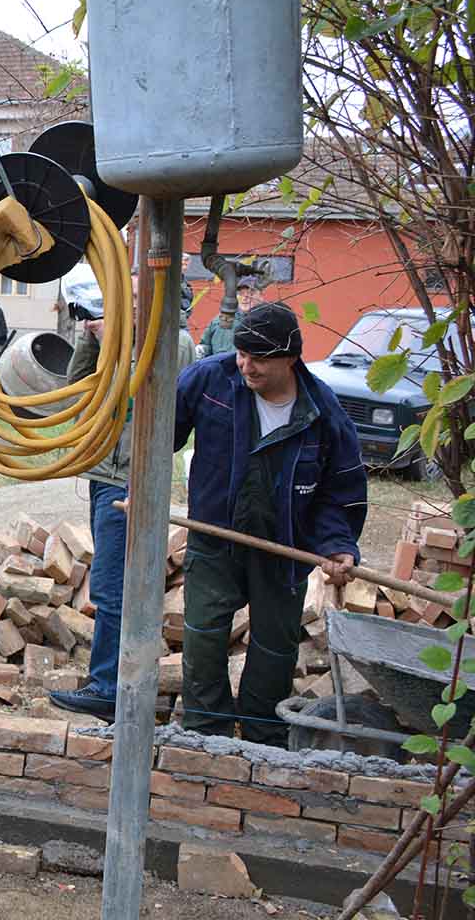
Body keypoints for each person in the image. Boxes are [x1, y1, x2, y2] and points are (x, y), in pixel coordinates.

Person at [175, 302, 365, 745]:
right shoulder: (210, 380)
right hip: (215, 539)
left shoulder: (322, 412)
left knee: (274, 649)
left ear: (290, 358)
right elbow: (160, 430)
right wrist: (137, 480)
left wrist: (338, 542)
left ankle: (263, 741)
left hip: (284, 547)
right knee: (203, 637)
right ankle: (206, 734)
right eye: (241, 353)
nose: (245, 365)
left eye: (257, 357)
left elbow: (342, 488)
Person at [49, 291, 196, 721]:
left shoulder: (175, 341)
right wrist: (90, 340)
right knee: (111, 582)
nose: (123, 304)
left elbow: (167, 408)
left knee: (113, 586)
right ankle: (112, 681)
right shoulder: (116, 342)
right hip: (102, 472)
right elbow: (77, 391)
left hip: (132, 479)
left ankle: (109, 688)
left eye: (134, 297)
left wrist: (119, 339)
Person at [198, 277, 258, 358]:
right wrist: (201, 351)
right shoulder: (218, 320)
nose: (245, 298)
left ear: (260, 295)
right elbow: (205, 345)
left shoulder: (266, 322)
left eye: (250, 294)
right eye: (240, 294)